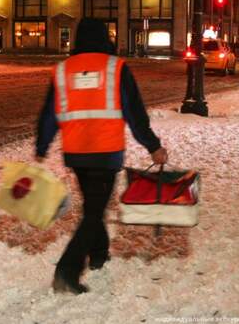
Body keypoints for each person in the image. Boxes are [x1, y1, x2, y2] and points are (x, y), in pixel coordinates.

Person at [35, 18, 168, 295]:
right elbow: (135, 114)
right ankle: (67, 270)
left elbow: (50, 114)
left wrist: (42, 145)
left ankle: (98, 253)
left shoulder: (63, 70)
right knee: (94, 211)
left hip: (76, 153)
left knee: (93, 207)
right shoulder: (115, 68)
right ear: (105, 38)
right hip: (106, 153)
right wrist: (153, 145)